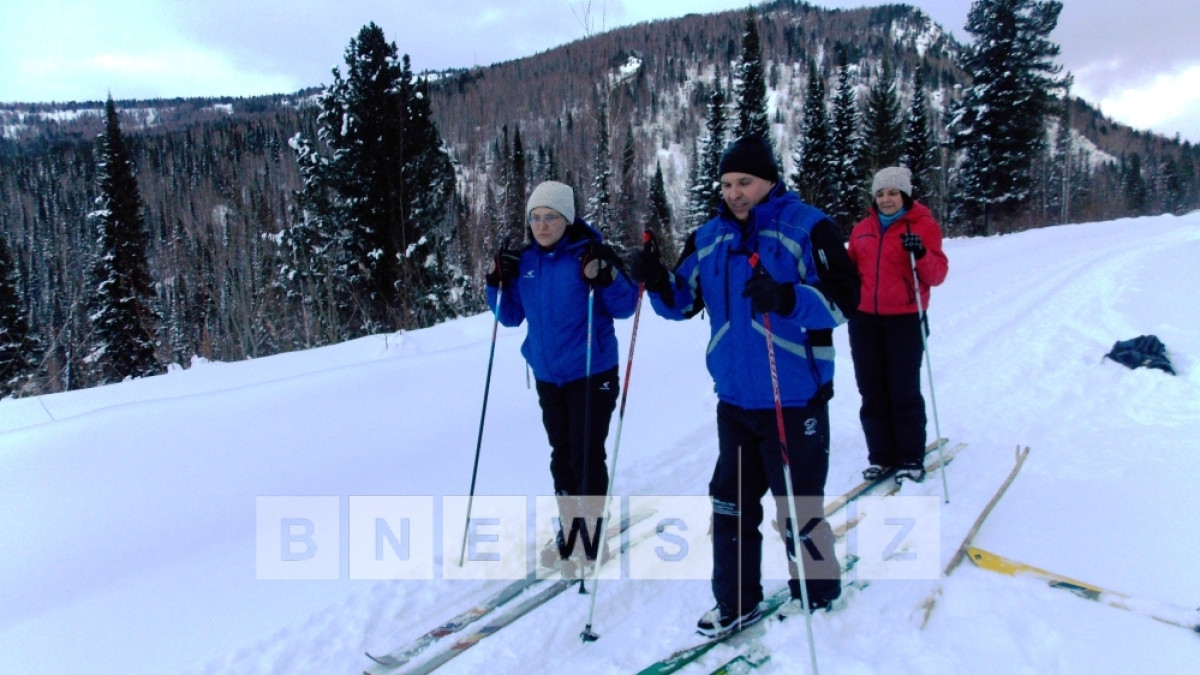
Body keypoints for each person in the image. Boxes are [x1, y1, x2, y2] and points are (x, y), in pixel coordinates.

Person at [630, 135, 860, 638]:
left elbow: (846, 300)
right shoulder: (708, 237)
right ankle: (736, 602)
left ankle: (818, 590)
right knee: (729, 505)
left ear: (769, 181)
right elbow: (682, 302)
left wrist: (786, 298)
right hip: (734, 400)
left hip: (793, 394)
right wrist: (654, 279)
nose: (735, 193)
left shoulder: (808, 228)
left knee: (798, 506)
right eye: (728, 183)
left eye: (745, 183)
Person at [485, 180, 639, 576]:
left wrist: (607, 274)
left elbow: (625, 307)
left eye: (550, 217)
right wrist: (495, 280)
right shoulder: (527, 263)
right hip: (548, 375)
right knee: (562, 456)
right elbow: (509, 316)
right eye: (535, 218)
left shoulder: (587, 254)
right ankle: (570, 532)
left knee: (586, 454)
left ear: (566, 219)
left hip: (592, 371)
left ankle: (591, 538)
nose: (541, 225)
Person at [846, 167, 949, 484]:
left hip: (905, 318)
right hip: (864, 320)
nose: (886, 199)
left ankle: (909, 456)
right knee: (871, 390)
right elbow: (850, 274)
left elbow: (937, 275)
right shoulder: (862, 230)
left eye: (892, 193)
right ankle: (881, 456)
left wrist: (919, 251)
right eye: (880, 193)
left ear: (904, 194)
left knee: (903, 390)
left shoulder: (923, 226)